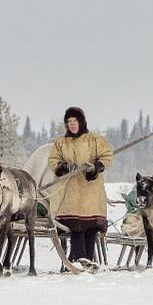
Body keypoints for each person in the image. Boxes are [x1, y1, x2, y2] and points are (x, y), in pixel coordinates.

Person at [47, 106, 113, 265]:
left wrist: (96, 167)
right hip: (71, 194)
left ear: (81, 122)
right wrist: (62, 167)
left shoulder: (95, 140)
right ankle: (78, 259)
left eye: (75, 121)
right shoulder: (61, 143)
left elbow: (107, 156)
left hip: (91, 192)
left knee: (90, 227)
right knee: (75, 226)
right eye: (69, 121)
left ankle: (87, 260)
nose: (72, 124)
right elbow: (52, 160)